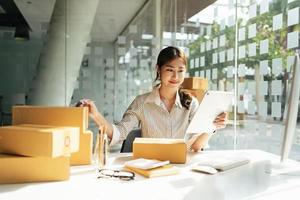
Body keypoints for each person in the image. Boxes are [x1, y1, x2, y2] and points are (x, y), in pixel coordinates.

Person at [80, 46, 227, 152]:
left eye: (180, 71)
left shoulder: (190, 103)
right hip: (150, 168)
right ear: (158, 69)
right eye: (170, 70)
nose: (176, 77)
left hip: (180, 168)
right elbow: (119, 133)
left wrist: (212, 126)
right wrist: (96, 115)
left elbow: (196, 146)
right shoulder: (142, 103)